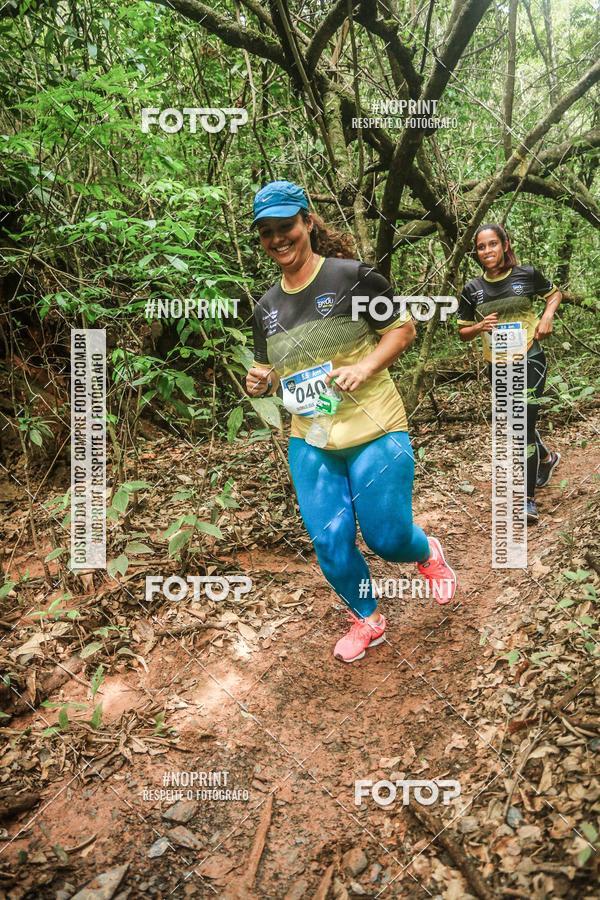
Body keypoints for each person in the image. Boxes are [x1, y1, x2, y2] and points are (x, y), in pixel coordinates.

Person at [245, 180, 457, 663]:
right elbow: (276, 377)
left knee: (387, 537)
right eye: (267, 232)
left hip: (374, 426)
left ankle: (427, 553)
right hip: (312, 435)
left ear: (307, 223)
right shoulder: (266, 307)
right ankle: (367, 618)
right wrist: (261, 383)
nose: (278, 239)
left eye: (286, 227)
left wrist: (366, 367)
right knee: (329, 540)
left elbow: (403, 329)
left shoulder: (352, 278)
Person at [457, 223, 562, 524]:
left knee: (520, 428)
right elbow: (462, 331)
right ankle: (545, 457)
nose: (487, 251)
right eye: (481, 247)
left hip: (530, 358)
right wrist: (479, 327)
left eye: (492, 244)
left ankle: (527, 499)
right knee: (516, 422)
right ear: (476, 252)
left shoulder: (526, 275)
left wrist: (546, 318)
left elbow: (553, 295)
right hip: (497, 364)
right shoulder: (472, 289)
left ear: (504, 244)